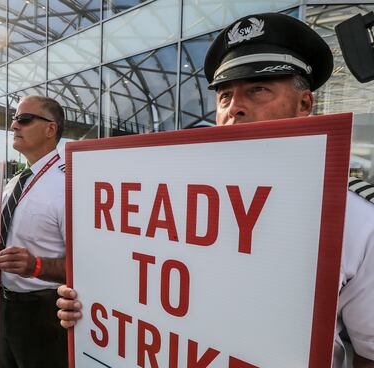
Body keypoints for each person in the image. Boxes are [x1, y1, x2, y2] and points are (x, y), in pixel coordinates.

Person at [56, 12, 374, 368]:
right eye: (224, 96)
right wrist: (94, 302)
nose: (234, 108)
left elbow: (368, 352)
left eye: (258, 90)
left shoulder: (355, 219)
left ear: (304, 106)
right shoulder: (171, 200)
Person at [0, 95, 68, 368]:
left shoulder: (68, 185)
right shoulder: (16, 181)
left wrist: (36, 265)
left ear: (51, 129)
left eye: (23, 120)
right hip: (5, 305)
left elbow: (88, 267)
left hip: (43, 313)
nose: (14, 126)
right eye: (14, 120)